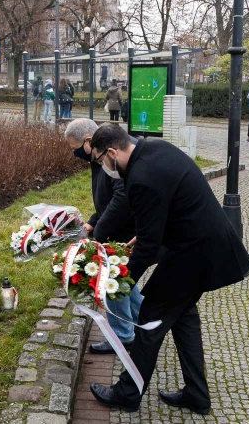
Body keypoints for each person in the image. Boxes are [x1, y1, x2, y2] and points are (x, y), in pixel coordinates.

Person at [88, 124, 249, 415]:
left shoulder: (140, 179)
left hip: (192, 254)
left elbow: (149, 250)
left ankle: (127, 393)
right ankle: (197, 395)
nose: (104, 167)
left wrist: (119, 282)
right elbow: (167, 209)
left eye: (102, 160)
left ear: (112, 152)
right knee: (183, 317)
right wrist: (144, 236)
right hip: (204, 245)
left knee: (150, 319)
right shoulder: (154, 148)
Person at [64, 119, 145, 353]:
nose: (75, 154)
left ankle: (122, 336)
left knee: (113, 283)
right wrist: (92, 223)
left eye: (76, 148)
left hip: (121, 233)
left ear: (89, 142)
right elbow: (105, 203)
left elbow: (120, 199)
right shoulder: (98, 159)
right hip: (114, 230)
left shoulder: (109, 159)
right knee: (125, 282)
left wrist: (99, 233)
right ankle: (141, 321)